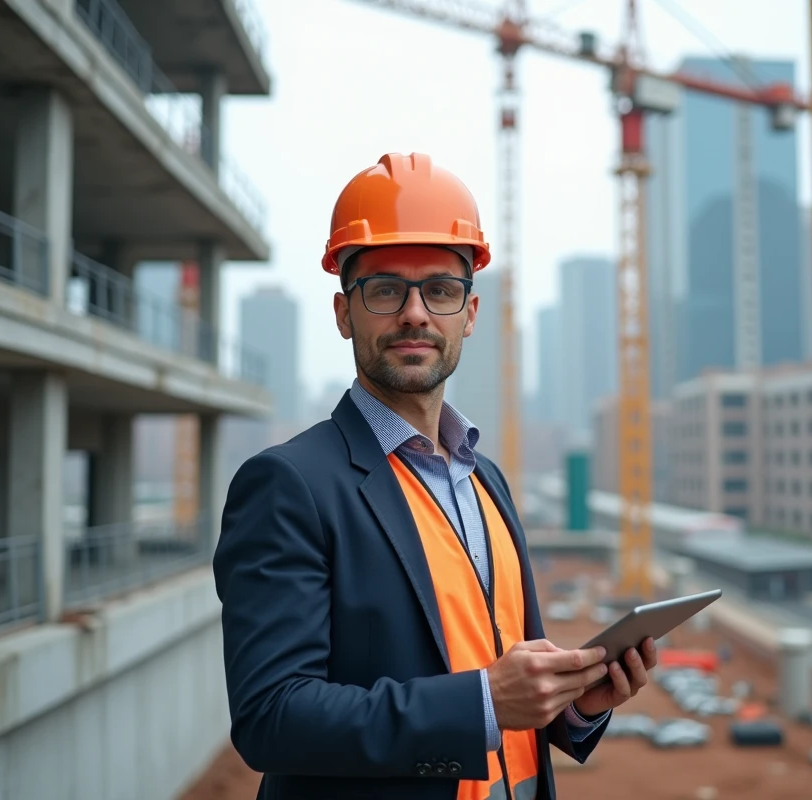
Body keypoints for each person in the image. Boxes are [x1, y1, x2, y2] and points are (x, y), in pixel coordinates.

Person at [213, 152, 659, 800]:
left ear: (469, 314)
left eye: (440, 290)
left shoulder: (487, 481)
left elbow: (502, 684)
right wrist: (480, 702)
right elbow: (271, 718)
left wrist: (575, 705)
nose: (415, 313)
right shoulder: (289, 487)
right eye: (386, 289)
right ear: (345, 314)